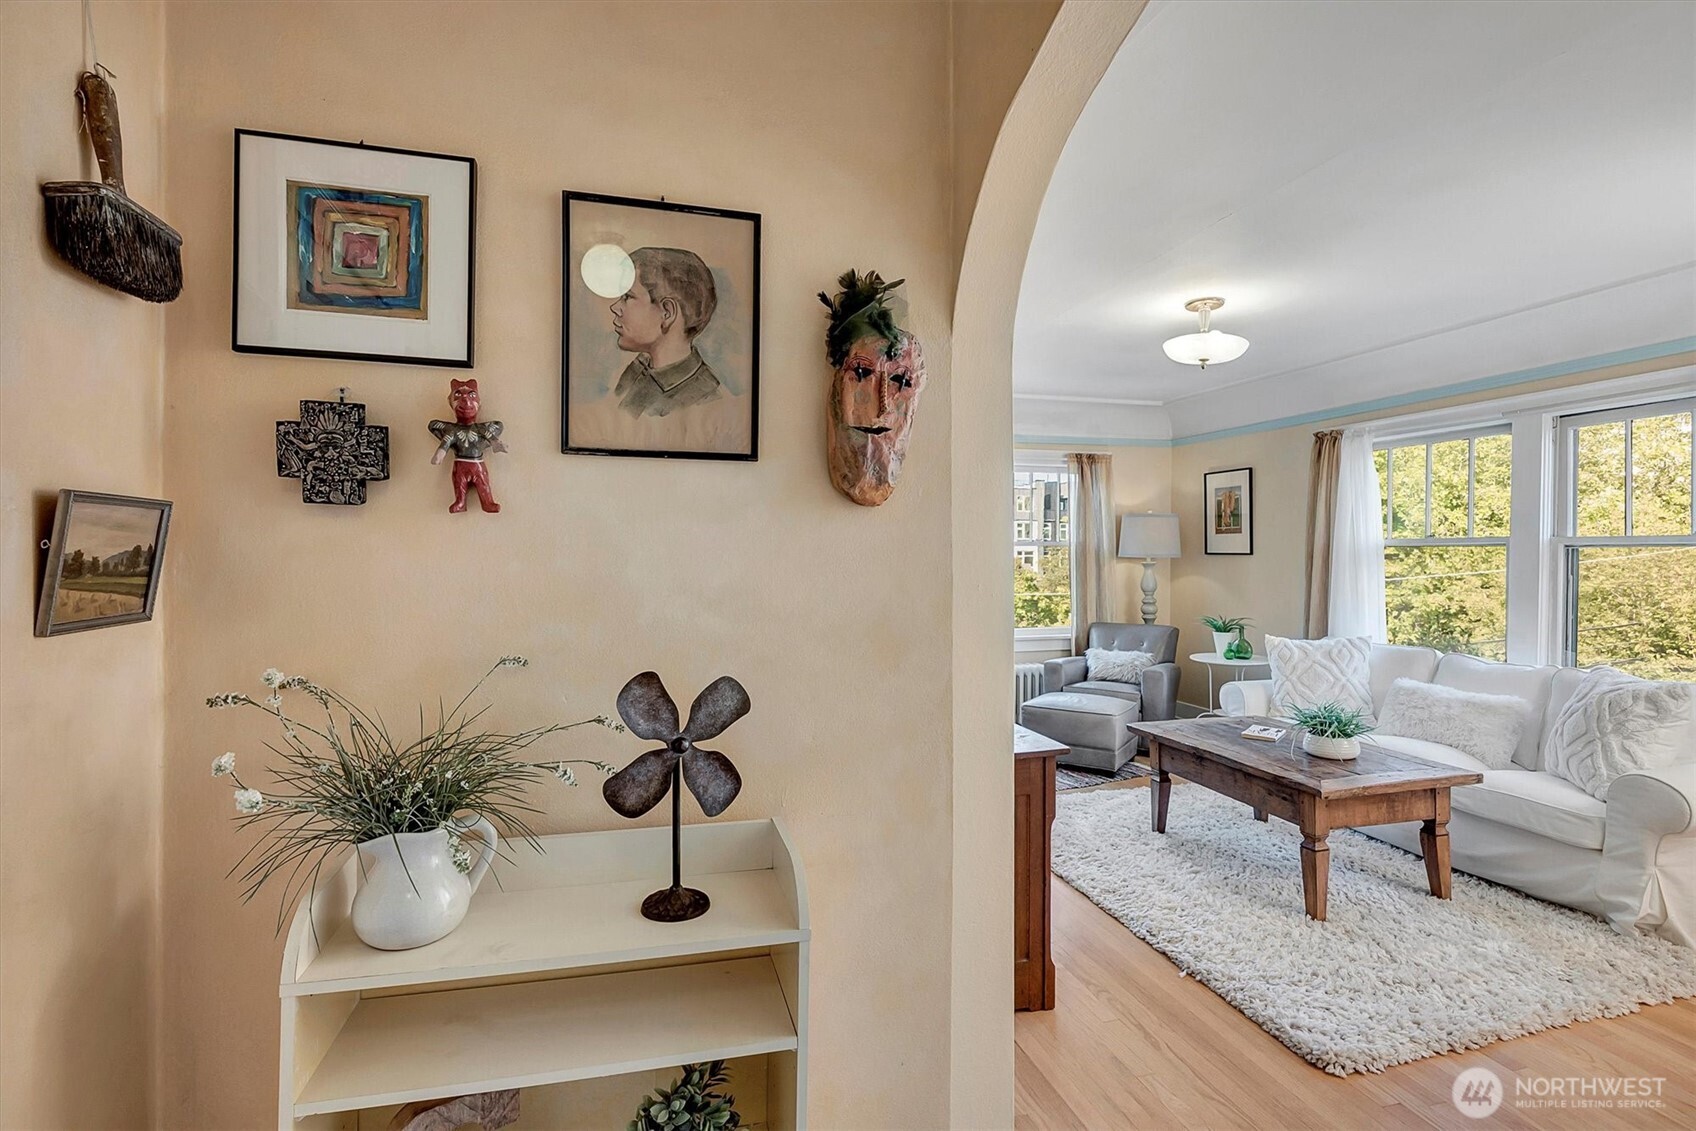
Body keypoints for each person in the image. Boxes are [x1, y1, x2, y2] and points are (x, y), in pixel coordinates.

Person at [609, 247, 722, 418]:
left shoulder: (705, 397)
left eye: (627, 296)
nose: (615, 307)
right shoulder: (635, 372)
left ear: (667, 313)